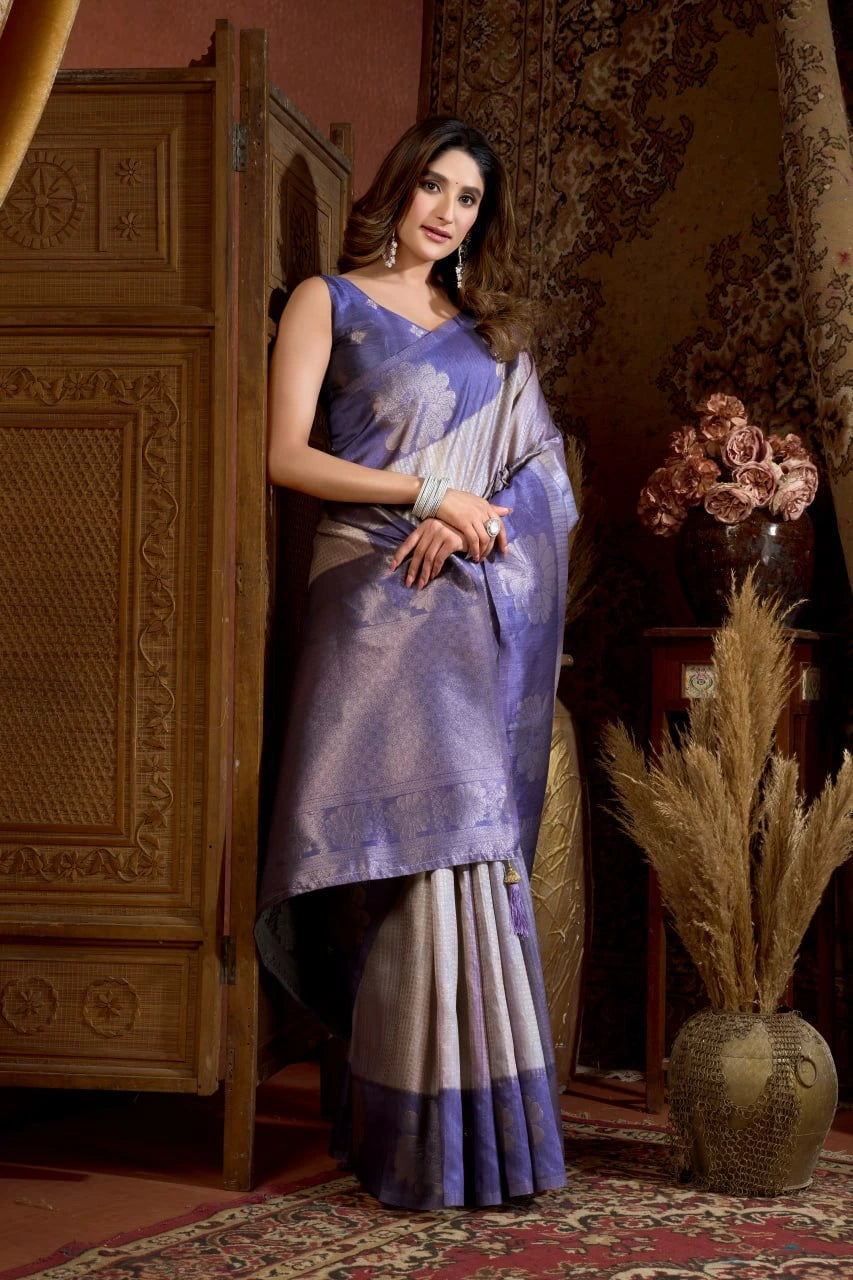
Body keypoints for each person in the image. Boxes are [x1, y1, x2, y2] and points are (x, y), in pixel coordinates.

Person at [255, 116, 578, 1210]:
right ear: (397, 188)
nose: (445, 211)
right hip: (365, 589)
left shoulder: (491, 342)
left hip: (463, 598)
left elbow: (541, 484)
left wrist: (471, 521)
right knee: (400, 854)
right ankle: (412, 1128)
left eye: (467, 198)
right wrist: (426, 492)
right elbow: (286, 456)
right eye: (432, 185)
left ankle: (475, 1135)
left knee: (465, 846)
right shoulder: (328, 302)